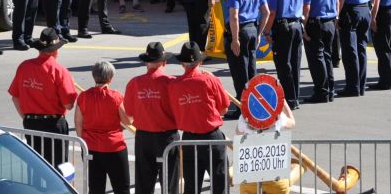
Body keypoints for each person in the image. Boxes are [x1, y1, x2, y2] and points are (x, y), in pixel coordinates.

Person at [8, 27, 78, 170]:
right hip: (54, 125)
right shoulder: (59, 70)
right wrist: (72, 86)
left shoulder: (24, 66)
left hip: (31, 123)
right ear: (55, 50)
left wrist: (26, 118)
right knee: (58, 169)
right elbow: (69, 105)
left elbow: (15, 97)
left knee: (36, 167)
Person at [168, 42, 229, 194]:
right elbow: (224, 108)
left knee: (191, 186)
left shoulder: (174, 85)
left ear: (182, 64)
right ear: (200, 62)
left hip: (189, 139)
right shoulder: (210, 80)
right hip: (212, 137)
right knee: (220, 185)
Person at [124, 42, 179, 194]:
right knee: (170, 184)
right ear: (164, 62)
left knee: (143, 184)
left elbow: (129, 112)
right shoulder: (171, 82)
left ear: (146, 62)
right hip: (167, 137)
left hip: (143, 137)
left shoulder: (134, 83)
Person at [75, 61, 131, 194]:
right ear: (110, 78)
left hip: (91, 147)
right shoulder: (115, 96)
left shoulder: (84, 96)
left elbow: (78, 123)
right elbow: (127, 121)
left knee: (95, 189)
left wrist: (85, 141)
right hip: (114, 147)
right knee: (122, 188)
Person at [224, 0, 269, 119]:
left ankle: (242, 107)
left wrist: (235, 39)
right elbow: (266, 12)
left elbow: (234, 16)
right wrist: (259, 34)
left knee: (239, 72)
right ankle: (253, 104)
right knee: (251, 69)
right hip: (252, 30)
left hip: (240, 31)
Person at [263, 0, 305, 109]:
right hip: (297, 25)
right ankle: (295, 98)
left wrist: (266, 31)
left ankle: (288, 100)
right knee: (295, 62)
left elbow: (272, 12)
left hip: (283, 27)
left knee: (283, 64)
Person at [336, 0, 375, 97]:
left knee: (349, 50)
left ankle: (353, 87)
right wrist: (371, 10)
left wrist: (336, 16)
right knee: (361, 48)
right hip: (365, 9)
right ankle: (361, 85)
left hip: (351, 11)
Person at [301, 0, 339, 103]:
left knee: (316, 58)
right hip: (330, 21)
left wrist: (303, 26)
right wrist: (336, 18)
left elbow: (306, 6)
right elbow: (337, 1)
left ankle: (321, 92)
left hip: (315, 22)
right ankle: (330, 90)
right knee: (327, 56)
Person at [237, 97, 296, 194]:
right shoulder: (278, 116)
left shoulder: (243, 118)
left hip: (249, 179)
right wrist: (283, 102)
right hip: (276, 179)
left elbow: (238, 134)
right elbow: (292, 123)